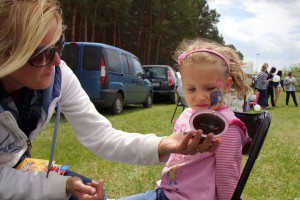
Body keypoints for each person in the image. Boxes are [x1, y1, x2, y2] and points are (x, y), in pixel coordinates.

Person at [0, 1, 220, 200]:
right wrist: (60, 186)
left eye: (59, 45)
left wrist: (163, 144)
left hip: (17, 165)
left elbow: (101, 136)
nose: (57, 60)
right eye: (41, 54)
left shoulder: (57, 74)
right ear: (4, 54)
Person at [119, 38, 251, 200]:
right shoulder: (188, 113)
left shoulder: (227, 127)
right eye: (191, 89)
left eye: (209, 88)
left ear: (226, 84)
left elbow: (228, 178)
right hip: (167, 191)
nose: (200, 96)